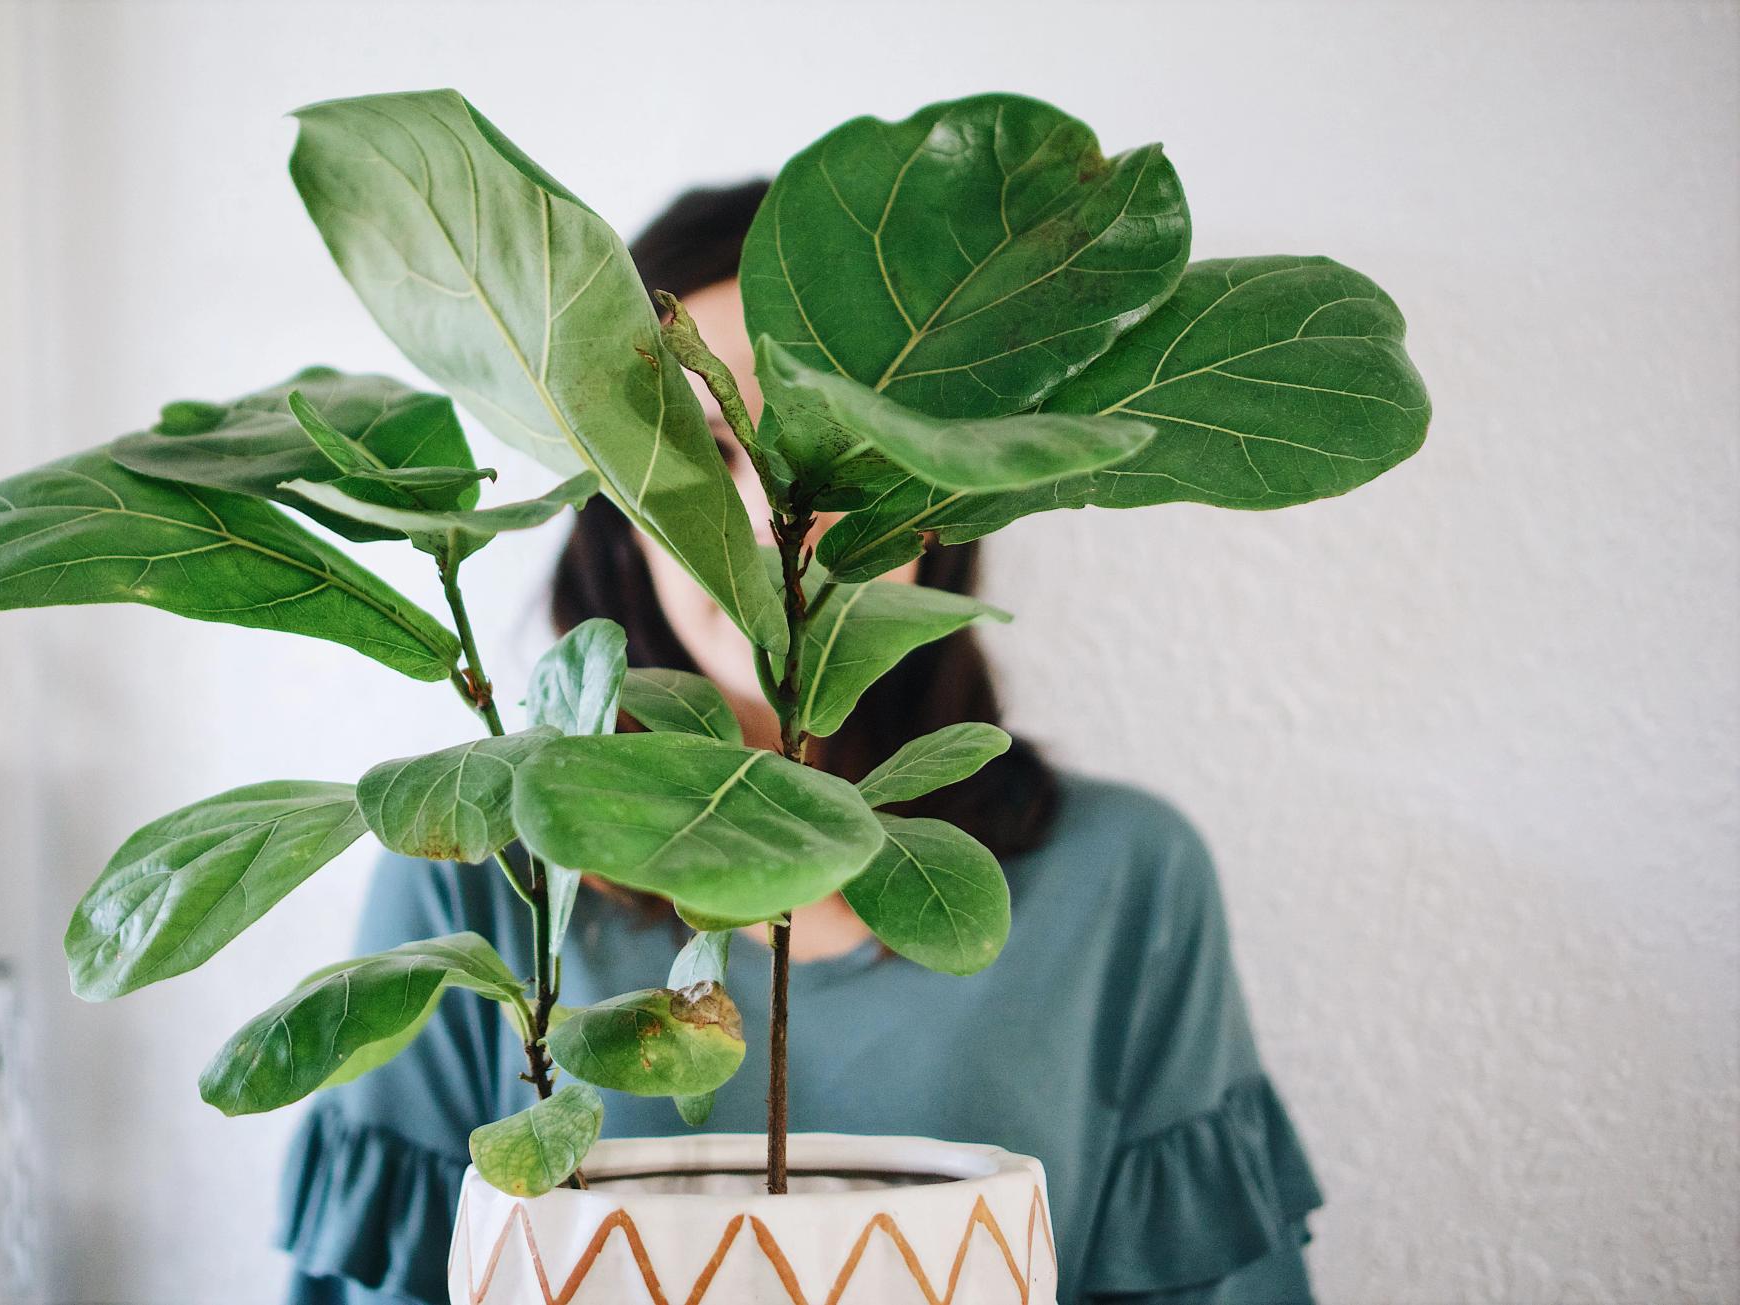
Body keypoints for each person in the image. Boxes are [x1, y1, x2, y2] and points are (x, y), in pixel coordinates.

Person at [277, 181, 1324, 1305]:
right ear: (620, 514)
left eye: (840, 456)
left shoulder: (1126, 880)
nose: (768, 523)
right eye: (703, 453)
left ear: (937, 498)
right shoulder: (478, 880)